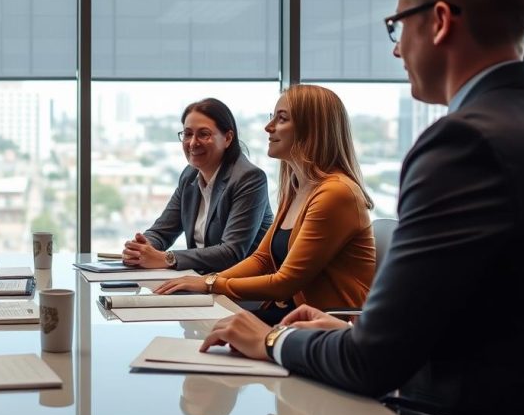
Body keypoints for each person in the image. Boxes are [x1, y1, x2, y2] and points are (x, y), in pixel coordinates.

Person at [200, 0, 524, 415]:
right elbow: (495, 314)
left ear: (441, 21)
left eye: (398, 26)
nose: (397, 48)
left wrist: (271, 341)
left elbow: (372, 366)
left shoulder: (463, 143)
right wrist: (351, 327)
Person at [156, 86, 375, 323]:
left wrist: (211, 284)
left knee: (211, 331)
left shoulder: (335, 193)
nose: (268, 128)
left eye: (281, 119)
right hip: (293, 315)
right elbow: (263, 259)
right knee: (204, 325)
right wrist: (207, 282)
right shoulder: (297, 187)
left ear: (311, 128)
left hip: (326, 327)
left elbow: (285, 282)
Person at [122, 98, 273, 273]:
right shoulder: (190, 175)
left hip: (241, 289)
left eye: (203, 134)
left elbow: (231, 253)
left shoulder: (249, 178)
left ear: (228, 138)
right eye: (187, 134)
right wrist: (141, 248)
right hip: (201, 282)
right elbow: (162, 232)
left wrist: (166, 258)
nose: (193, 143)